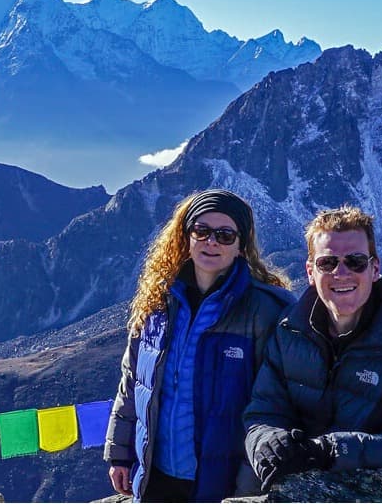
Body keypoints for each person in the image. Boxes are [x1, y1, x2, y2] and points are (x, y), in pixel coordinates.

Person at [243, 206, 382, 492]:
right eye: (327, 263)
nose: (341, 272)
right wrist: (268, 444)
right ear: (310, 272)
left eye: (355, 261)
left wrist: (330, 451)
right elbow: (263, 412)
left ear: (375, 268)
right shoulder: (289, 330)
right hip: (301, 491)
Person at [104, 189, 294, 502]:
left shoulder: (266, 311)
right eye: (202, 231)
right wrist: (121, 456)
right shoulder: (157, 303)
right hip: (155, 477)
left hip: (222, 483)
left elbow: (275, 407)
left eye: (225, 235)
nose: (212, 242)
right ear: (186, 237)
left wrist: (248, 491)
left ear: (241, 246)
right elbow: (132, 385)